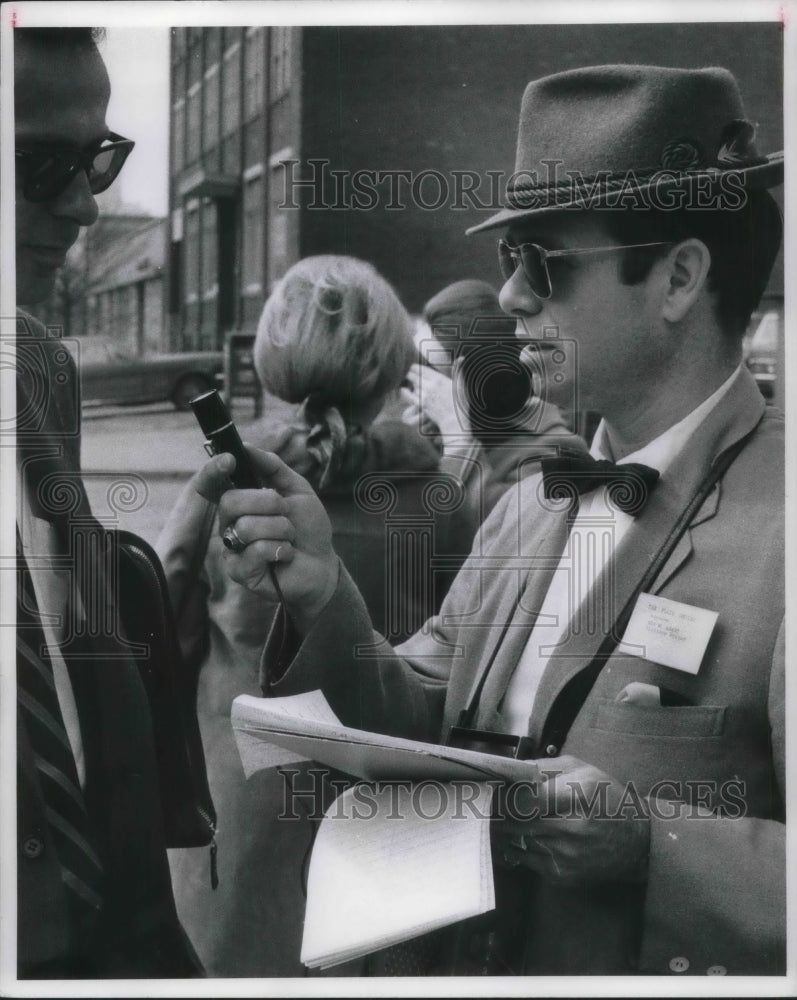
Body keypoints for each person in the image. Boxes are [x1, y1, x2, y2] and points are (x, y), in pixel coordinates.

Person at [195, 64, 785, 975]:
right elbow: (424, 718)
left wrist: (653, 849)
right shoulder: (529, 505)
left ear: (676, 278)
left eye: (540, 261)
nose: (508, 297)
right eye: (510, 261)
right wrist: (323, 595)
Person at [158, 254, 480, 976]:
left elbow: (163, 641)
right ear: (391, 359)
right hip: (392, 813)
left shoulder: (224, 489)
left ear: (275, 354)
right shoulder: (440, 498)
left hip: (242, 808)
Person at [13, 27, 210, 978]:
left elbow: (74, 678)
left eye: (97, 158)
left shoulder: (41, 370)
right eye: (40, 163)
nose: (83, 206)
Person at [413, 278, 587, 517]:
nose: (422, 389)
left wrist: (458, 440)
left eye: (432, 373)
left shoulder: (550, 453)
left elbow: (496, 536)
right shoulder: (428, 431)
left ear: (479, 383)